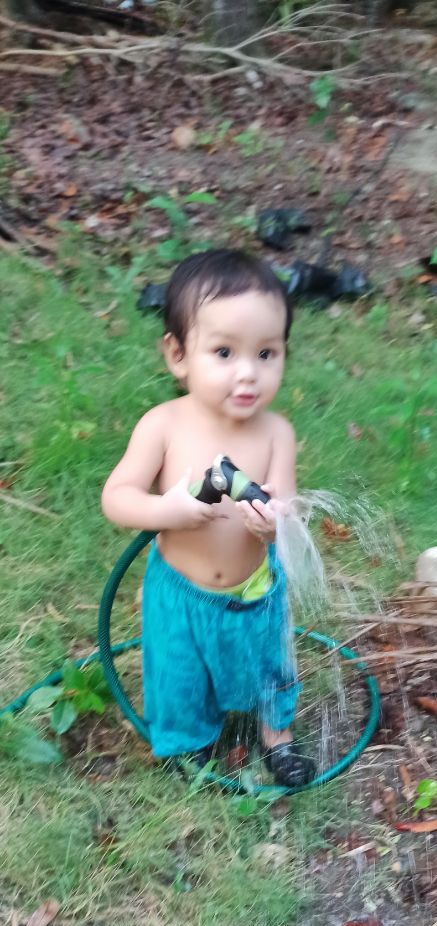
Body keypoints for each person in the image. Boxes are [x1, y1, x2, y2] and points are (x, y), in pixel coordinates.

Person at [101, 248, 315, 787]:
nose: (248, 374)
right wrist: (166, 510)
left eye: (266, 353)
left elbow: (286, 506)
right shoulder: (163, 425)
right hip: (181, 594)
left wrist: (275, 521)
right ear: (178, 355)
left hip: (254, 588)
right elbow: (117, 497)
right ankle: (190, 739)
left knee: (270, 665)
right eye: (224, 352)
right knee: (179, 671)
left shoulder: (276, 434)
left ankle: (277, 738)